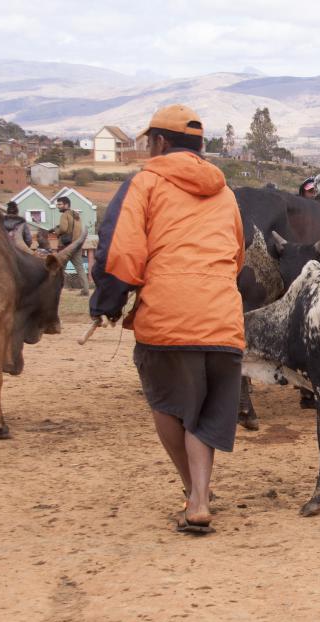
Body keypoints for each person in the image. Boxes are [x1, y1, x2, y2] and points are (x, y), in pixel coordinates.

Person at [89, 104, 245, 534]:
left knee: (170, 403)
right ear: (199, 148)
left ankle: (194, 495)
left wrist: (106, 301)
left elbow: (120, 252)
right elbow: (236, 256)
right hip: (222, 319)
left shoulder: (145, 183)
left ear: (159, 142)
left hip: (167, 316)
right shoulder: (226, 194)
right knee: (206, 413)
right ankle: (198, 497)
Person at [54, 196, 89, 295]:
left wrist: (56, 231)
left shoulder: (65, 215)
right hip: (76, 245)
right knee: (80, 268)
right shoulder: (76, 215)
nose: (58, 206)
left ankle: (56, 290)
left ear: (66, 205)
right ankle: (85, 290)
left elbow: (64, 229)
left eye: (60, 204)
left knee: (59, 268)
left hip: (65, 246)